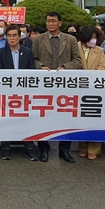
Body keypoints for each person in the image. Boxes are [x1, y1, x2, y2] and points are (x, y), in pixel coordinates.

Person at [30, 12, 83, 162]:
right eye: (48, 21)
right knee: (42, 116)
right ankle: (44, 148)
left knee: (66, 117)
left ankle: (64, 150)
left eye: (53, 21)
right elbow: (32, 58)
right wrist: (40, 66)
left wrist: (66, 67)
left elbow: (78, 60)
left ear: (60, 23)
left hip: (65, 85)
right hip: (44, 85)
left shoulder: (70, 39)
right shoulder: (38, 39)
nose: (50, 24)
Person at [0, 25, 37, 161]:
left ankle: (29, 149)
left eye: (14, 35)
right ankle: (6, 149)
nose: (12, 38)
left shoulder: (27, 51)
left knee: (25, 120)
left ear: (20, 37)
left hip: (24, 92)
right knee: (6, 121)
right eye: (9, 36)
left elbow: (31, 69)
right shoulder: (1, 52)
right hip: (7, 92)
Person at [76, 26, 105, 160]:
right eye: (91, 37)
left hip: (95, 88)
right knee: (80, 119)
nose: (93, 40)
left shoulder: (99, 51)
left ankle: (94, 148)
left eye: (95, 37)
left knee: (94, 118)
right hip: (77, 87)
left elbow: (102, 67)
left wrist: (91, 79)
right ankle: (82, 146)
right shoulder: (75, 47)